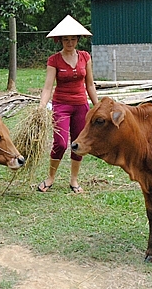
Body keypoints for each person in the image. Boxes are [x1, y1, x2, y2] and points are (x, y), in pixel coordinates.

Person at [37, 15, 98, 194]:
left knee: (78, 144)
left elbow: (90, 84)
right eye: (65, 39)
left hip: (81, 106)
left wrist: (98, 106)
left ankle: (74, 180)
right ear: (60, 40)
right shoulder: (54, 60)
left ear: (78, 40)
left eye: (72, 39)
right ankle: (50, 178)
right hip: (61, 105)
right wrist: (41, 107)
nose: (69, 42)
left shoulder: (85, 57)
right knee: (61, 143)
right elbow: (48, 87)